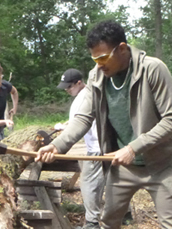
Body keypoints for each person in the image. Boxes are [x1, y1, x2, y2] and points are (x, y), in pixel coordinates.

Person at [35, 19, 172, 228]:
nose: (99, 64)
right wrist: (57, 145)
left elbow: (170, 119)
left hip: (162, 165)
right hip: (124, 167)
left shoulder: (153, 69)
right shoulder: (97, 76)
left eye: (103, 57)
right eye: (94, 59)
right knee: (109, 222)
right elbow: (83, 117)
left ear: (122, 49)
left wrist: (133, 148)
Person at [55, 68, 104, 228]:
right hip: (106, 145)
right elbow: (81, 120)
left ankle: (92, 223)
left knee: (88, 184)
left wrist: (61, 137)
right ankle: (126, 214)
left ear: (79, 83)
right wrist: (66, 125)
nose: (67, 90)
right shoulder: (92, 93)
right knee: (114, 181)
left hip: (97, 148)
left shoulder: (82, 99)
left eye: (69, 87)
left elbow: (78, 125)